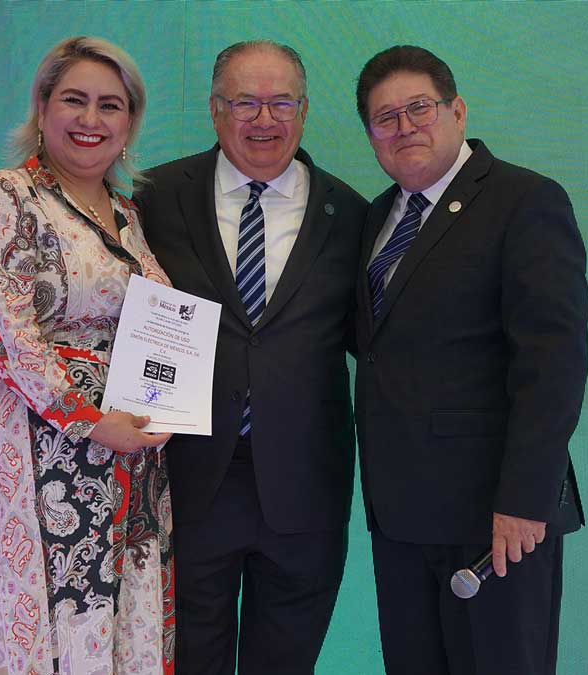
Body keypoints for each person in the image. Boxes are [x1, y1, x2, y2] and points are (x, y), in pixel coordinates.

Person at [0, 36, 176, 675]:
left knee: (117, 614)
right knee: (44, 618)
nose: (91, 119)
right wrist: (91, 421)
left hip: (128, 457)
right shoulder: (7, 197)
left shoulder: (127, 214)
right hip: (39, 447)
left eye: (110, 105)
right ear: (42, 108)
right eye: (74, 100)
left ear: (129, 122)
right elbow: (8, 338)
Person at [352, 45, 588, 675]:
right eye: (385, 118)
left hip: (496, 521)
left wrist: (526, 500)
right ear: (371, 135)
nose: (405, 127)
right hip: (400, 518)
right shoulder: (378, 217)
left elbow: (553, 364)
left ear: (457, 111)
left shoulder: (525, 201)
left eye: (419, 108)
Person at [134, 40, 366, 675]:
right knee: (188, 659)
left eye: (282, 103)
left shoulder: (351, 214)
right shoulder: (154, 198)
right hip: (187, 480)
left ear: (305, 110)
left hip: (305, 491)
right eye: (245, 103)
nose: (265, 120)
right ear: (215, 110)